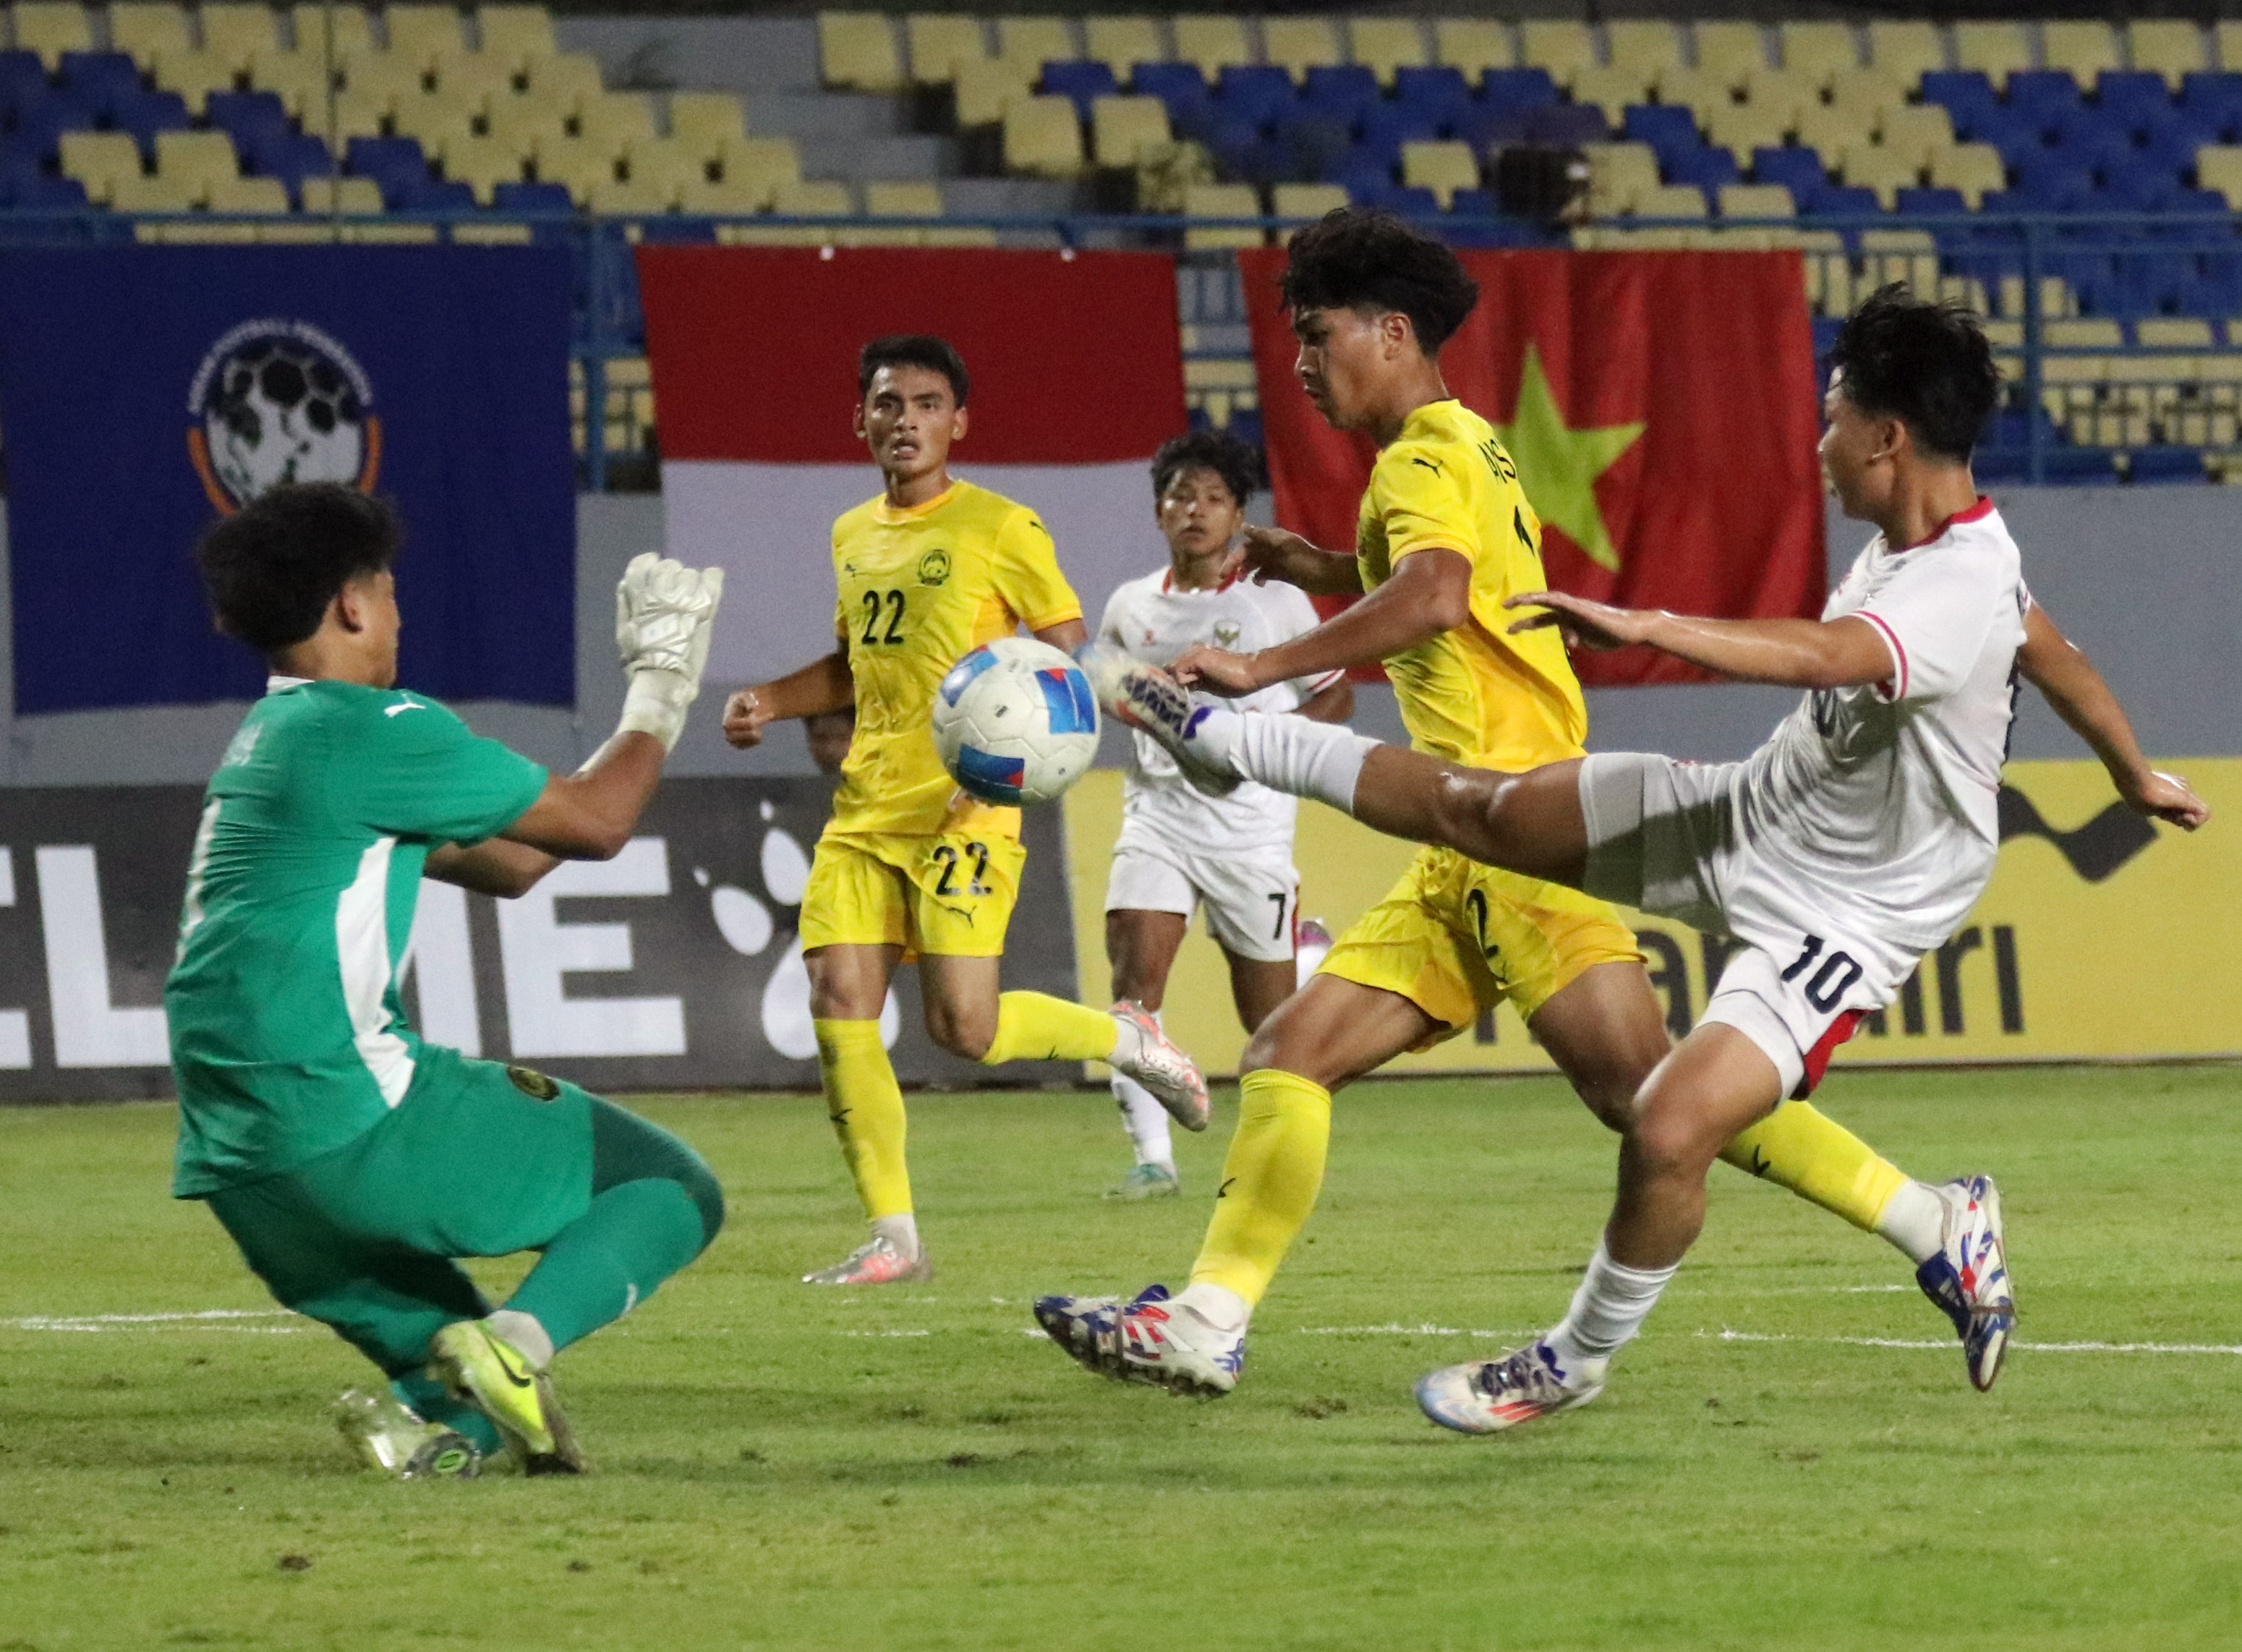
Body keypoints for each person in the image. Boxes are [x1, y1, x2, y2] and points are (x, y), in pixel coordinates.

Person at [1063, 285, 2209, 1429]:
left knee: (1663, 1121)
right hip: (1752, 813)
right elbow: (2049, 648)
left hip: (1845, 913)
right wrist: (2131, 772)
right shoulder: (1956, 548)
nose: (1819, 445)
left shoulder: (1946, 591)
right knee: (1485, 816)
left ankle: (1576, 1358)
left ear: (1886, 437)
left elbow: (1827, 655)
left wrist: (1657, 627)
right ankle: (1215, 733)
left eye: (1832, 419)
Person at [168, 482, 729, 1478]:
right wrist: (662, 682)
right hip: (347, 1114)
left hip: (244, 1167)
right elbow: (597, 824)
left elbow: (517, 863)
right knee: (667, 1185)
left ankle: (435, 1424)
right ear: (349, 604)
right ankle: (514, 1346)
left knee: (474, 1407)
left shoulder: (269, 745)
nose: (397, 613)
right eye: (386, 591)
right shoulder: (374, 727)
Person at [721, 334, 1208, 1285]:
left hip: (965, 815)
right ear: (860, 420)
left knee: (966, 1032)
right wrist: (771, 701)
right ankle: (893, 1237)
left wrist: (1017, 767)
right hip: (866, 811)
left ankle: (1128, 1039)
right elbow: (858, 663)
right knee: (840, 1000)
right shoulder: (852, 533)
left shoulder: (1001, 527)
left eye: (927, 404)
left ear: (960, 422)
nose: (906, 421)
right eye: (888, 404)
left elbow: (1068, 658)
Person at [1096, 428, 1354, 1201]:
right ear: (1158, 511)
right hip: (1158, 818)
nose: (1194, 511)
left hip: (1251, 832)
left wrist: (1265, 747)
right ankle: (1152, 1159)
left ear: (1239, 514)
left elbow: (1333, 695)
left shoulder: (1275, 603)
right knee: (1134, 986)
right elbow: (1113, 691)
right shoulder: (1130, 606)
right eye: (1180, 495)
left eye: (1213, 497)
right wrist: (1136, 710)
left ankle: (1308, 963)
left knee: (1269, 1027)